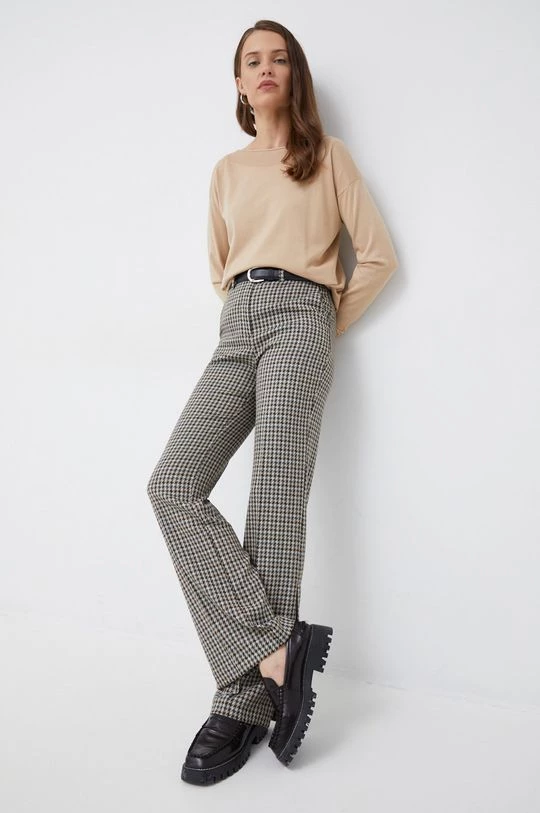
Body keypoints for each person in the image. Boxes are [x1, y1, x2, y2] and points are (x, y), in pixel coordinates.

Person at [146, 19, 399, 785]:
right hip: (239, 320)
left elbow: (378, 257)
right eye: (252, 60)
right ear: (238, 82)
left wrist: (320, 328)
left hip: (302, 315)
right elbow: (220, 267)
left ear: (295, 76)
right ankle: (276, 650)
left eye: (278, 59)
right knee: (172, 484)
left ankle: (241, 700)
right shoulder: (226, 171)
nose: (265, 69)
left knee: (275, 502)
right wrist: (247, 316)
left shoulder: (328, 158)